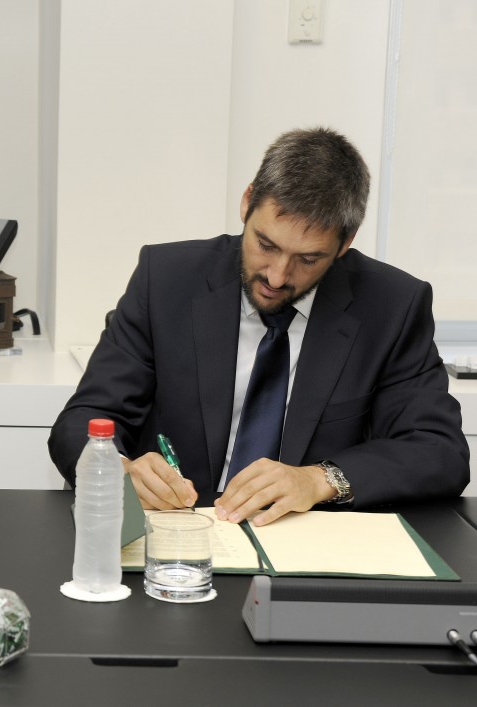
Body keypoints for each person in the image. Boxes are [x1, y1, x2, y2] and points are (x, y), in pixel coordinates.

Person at [48, 127, 469, 526]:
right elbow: (84, 418)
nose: (277, 276)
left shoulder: (391, 305)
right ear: (247, 202)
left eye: (308, 259)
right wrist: (119, 471)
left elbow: (440, 450)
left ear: (346, 242)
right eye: (265, 245)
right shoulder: (167, 280)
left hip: (304, 547)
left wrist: (319, 479)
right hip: (178, 535)